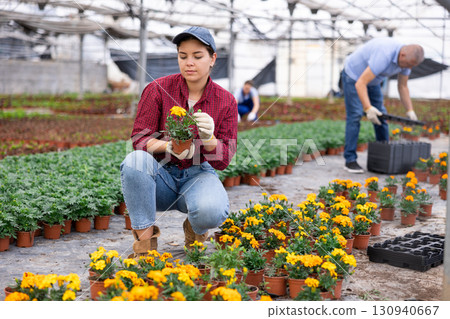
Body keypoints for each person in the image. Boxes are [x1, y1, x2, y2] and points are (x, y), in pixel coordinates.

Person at [120, 26, 238, 257]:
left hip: (197, 174)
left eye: (197, 56)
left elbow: (223, 160)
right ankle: (144, 248)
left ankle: (195, 228)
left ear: (213, 59)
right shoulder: (157, 89)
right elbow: (139, 139)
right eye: (183, 56)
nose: (189, 63)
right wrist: (168, 147)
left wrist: (210, 138)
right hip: (160, 174)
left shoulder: (226, 101)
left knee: (211, 211)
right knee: (135, 161)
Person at [342, 38, 424, 173]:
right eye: (408, 64)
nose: (408, 68)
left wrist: (410, 110)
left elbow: (402, 86)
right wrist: (368, 108)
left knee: (381, 116)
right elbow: (360, 83)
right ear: (402, 55)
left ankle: (385, 157)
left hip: (373, 82)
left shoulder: (406, 62)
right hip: (353, 77)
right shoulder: (384, 54)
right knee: (355, 115)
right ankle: (350, 160)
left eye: (411, 66)